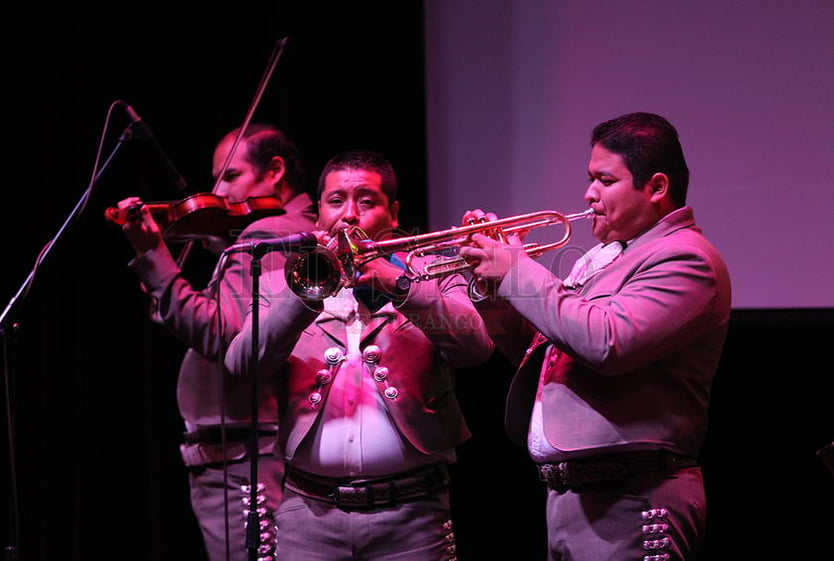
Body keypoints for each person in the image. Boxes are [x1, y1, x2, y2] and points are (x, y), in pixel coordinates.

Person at [457, 112, 731, 561]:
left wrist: (518, 271)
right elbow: (545, 351)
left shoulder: (685, 258)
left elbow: (606, 343)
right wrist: (493, 286)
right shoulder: (608, 258)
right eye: (590, 179)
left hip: (633, 498)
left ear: (657, 188)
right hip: (576, 498)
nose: (588, 194)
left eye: (604, 180)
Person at [223, 148, 495, 561]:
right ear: (318, 216)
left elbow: (475, 347)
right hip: (307, 516)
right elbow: (242, 365)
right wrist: (307, 293)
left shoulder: (431, 272)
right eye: (336, 202)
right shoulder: (280, 286)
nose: (349, 215)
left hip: (412, 515)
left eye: (366, 201)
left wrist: (402, 286)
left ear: (394, 213)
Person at [114, 123, 317, 561]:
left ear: (275, 171)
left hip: (243, 460)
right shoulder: (281, 233)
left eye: (230, 176)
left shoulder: (269, 233)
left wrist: (153, 254)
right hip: (247, 451)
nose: (219, 193)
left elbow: (220, 335)